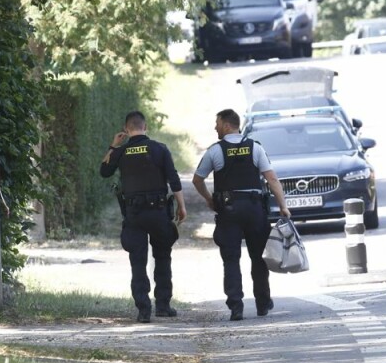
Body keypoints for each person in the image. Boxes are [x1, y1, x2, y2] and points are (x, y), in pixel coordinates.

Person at [192, 109, 290, 321]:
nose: (215, 127)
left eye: (217, 123)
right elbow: (272, 179)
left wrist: (210, 199)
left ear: (227, 125)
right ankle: (263, 302)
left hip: (228, 210)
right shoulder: (255, 148)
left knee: (231, 259)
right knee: (258, 258)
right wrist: (283, 206)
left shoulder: (215, 151)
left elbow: (197, 179)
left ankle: (236, 306)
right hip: (255, 209)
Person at [100, 111, 186, 323]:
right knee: (163, 257)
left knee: (137, 262)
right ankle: (163, 306)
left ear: (126, 130)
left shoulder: (121, 151)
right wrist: (181, 206)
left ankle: (143, 310)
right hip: (158, 212)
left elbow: (104, 171)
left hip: (134, 214)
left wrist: (113, 145)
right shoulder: (159, 149)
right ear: (145, 127)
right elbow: (174, 180)